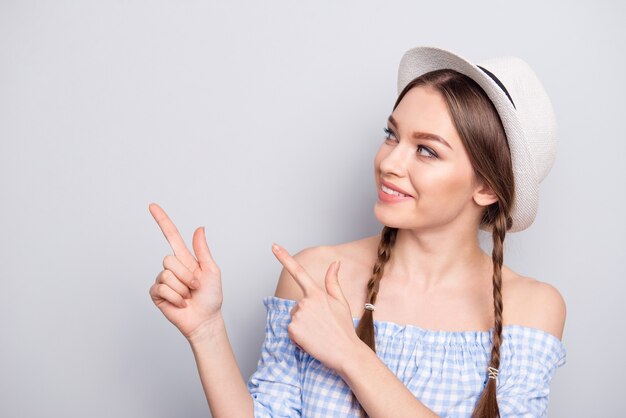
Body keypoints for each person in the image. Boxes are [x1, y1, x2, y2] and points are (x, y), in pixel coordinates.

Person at [148, 45, 567, 417]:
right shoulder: (315, 273)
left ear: (487, 186)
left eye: (426, 150)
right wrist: (206, 331)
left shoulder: (532, 308)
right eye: (392, 135)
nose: (389, 162)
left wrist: (350, 354)